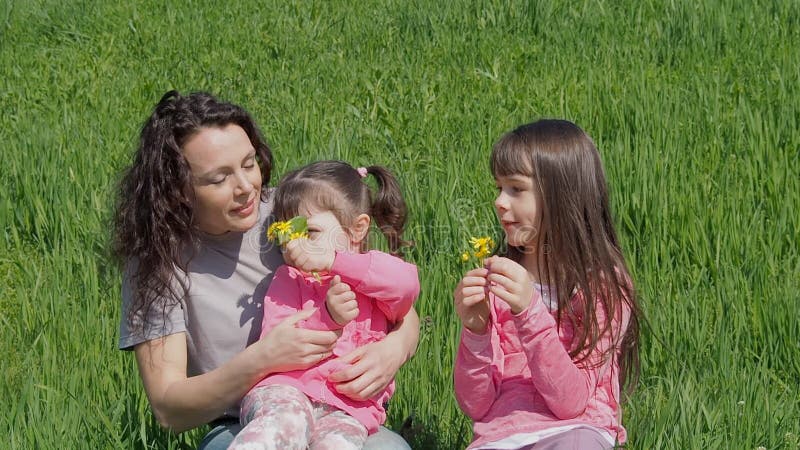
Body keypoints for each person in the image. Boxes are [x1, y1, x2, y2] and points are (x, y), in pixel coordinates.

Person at [113, 91, 419, 450]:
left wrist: (395, 349)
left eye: (248, 164)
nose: (245, 188)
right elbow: (169, 408)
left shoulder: (290, 213)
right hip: (243, 419)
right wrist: (264, 358)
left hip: (340, 408)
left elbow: (391, 297)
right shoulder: (157, 262)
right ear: (178, 189)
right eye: (218, 179)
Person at [453, 119, 642, 450]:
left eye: (516, 188)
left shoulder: (603, 288)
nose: (500, 201)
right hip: (502, 436)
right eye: (498, 187)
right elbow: (476, 405)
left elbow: (571, 401)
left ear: (561, 195)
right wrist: (475, 331)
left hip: (577, 430)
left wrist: (529, 312)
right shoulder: (501, 282)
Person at [229, 160, 419, 449]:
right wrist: (327, 317)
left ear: (357, 230)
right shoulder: (290, 278)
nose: (295, 246)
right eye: (288, 235)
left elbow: (406, 287)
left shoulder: (376, 278)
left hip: (348, 408)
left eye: (310, 232)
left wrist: (334, 261)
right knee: (284, 426)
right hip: (288, 390)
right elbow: (278, 338)